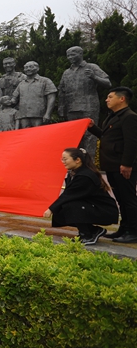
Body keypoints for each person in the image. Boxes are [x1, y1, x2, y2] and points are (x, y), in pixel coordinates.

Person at [89, 87, 137, 243]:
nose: (107, 99)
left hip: (122, 166)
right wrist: (92, 128)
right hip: (111, 165)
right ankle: (124, 229)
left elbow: (131, 143)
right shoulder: (112, 117)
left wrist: (127, 164)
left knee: (128, 199)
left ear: (121, 99)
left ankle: (133, 231)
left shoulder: (129, 117)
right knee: (121, 199)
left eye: (110, 97)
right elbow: (105, 136)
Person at [43, 148, 119, 245]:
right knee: (64, 207)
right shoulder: (75, 173)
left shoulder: (85, 176)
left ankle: (87, 235)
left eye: (65, 159)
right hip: (93, 207)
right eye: (62, 159)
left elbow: (69, 195)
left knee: (71, 205)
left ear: (77, 160)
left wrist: (51, 209)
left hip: (104, 210)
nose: (63, 162)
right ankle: (92, 230)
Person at [58, 46, 111, 157]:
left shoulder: (91, 67)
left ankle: (89, 163)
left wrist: (94, 77)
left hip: (89, 106)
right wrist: (61, 107)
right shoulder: (66, 73)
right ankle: (76, 161)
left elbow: (107, 83)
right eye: (68, 55)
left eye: (73, 54)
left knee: (90, 135)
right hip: (71, 108)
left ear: (81, 54)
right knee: (74, 136)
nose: (70, 57)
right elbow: (61, 91)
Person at [12, 61, 57, 129]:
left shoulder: (45, 81)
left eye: (31, 67)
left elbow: (51, 98)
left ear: (37, 68)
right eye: (26, 67)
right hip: (24, 116)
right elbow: (14, 99)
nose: (28, 69)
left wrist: (48, 114)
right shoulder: (21, 84)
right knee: (26, 134)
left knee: (39, 134)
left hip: (39, 115)